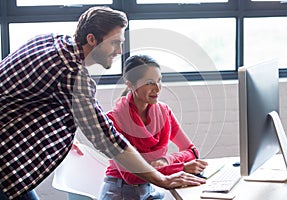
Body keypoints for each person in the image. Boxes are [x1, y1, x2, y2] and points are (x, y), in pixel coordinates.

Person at [0, 6, 205, 200]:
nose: (119, 51)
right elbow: (108, 140)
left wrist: (64, 136)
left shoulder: (49, 41)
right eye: (114, 42)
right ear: (92, 39)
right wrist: (162, 179)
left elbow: (29, 98)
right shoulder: (73, 75)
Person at [96, 55, 206, 200]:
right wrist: (180, 167)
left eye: (159, 81)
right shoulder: (113, 120)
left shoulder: (164, 111)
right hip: (120, 191)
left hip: (149, 188)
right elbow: (130, 175)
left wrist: (167, 160)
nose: (157, 88)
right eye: (149, 83)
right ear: (130, 85)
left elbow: (191, 150)